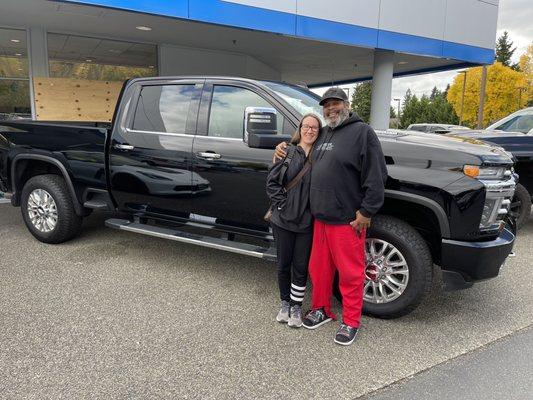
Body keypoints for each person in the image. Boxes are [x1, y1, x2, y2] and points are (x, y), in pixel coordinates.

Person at [274, 88, 387, 345]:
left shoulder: (362, 133)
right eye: (327, 105)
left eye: (336, 103)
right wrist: (282, 147)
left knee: (350, 273)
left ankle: (351, 321)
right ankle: (321, 309)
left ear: (347, 104)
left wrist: (366, 211)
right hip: (319, 219)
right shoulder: (324, 132)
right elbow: (301, 140)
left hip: (347, 220)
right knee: (319, 270)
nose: (331, 108)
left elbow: (377, 175)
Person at [266, 114, 322, 328]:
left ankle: (296, 306)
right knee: (283, 264)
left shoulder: (321, 156)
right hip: (283, 220)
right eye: (306, 126)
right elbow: (271, 184)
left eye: (315, 128)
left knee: (300, 266)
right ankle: (284, 304)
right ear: (300, 128)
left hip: (307, 222)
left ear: (319, 131)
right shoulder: (286, 152)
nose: (310, 131)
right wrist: (282, 206)